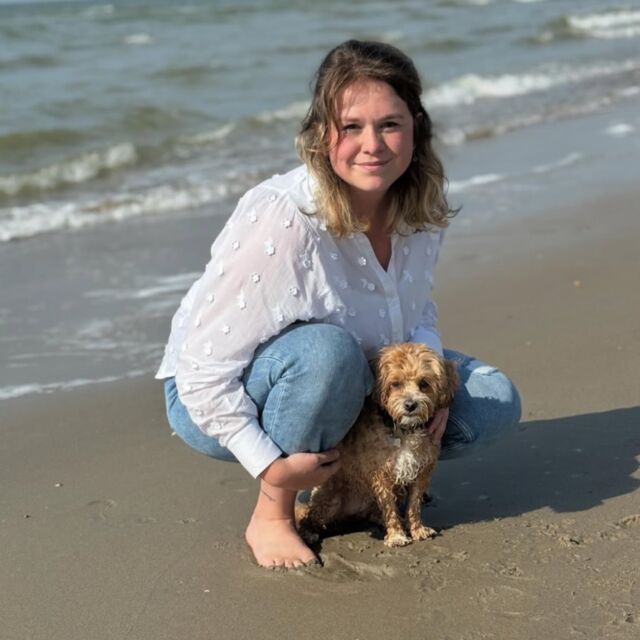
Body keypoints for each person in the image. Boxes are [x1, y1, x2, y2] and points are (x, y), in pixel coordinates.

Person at [156, 40, 521, 569]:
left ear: (417, 128)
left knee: (492, 400)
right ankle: (272, 514)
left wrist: (434, 384)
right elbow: (203, 372)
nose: (372, 145)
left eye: (390, 124)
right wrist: (270, 467)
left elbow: (415, 311)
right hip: (224, 394)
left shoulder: (417, 206)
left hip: (356, 379)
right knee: (329, 354)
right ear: (321, 135)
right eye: (351, 126)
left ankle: (360, 480)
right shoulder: (285, 218)